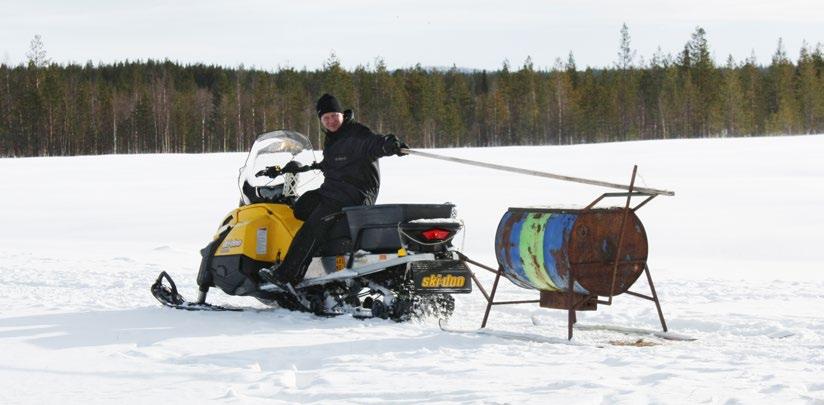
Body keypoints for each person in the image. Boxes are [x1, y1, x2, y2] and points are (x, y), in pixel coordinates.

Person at [259, 93, 408, 291]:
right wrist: (293, 169)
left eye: (334, 116)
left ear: (342, 115)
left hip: (355, 195)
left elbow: (374, 143)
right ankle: (323, 254)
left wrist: (390, 144)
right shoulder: (333, 139)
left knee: (314, 225)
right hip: (333, 191)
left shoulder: (356, 133)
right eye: (325, 117)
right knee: (302, 206)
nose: (331, 121)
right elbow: (332, 163)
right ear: (321, 120)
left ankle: (288, 275)